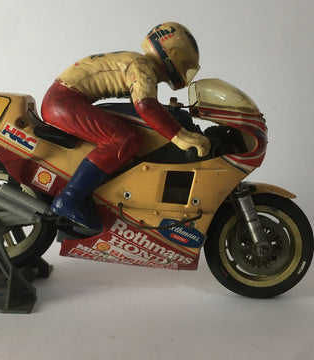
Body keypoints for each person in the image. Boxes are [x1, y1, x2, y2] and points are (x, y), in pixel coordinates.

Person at [41, 22, 210, 234]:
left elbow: (143, 106)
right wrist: (182, 137)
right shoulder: (142, 66)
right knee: (124, 139)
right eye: (184, 64)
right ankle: (70, 198)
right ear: (172, 54)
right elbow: (145, 106)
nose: (184, 71)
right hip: (62, 103)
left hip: (65, 100)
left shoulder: (140, 64)